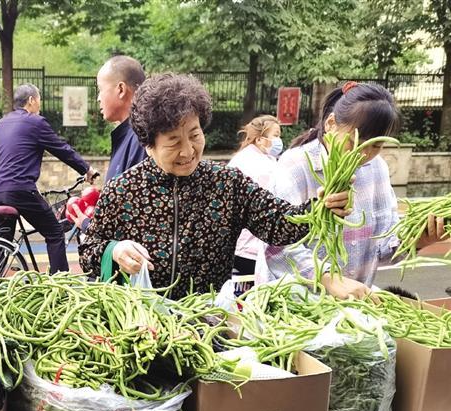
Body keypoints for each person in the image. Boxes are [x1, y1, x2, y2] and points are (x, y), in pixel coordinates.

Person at [78, 73, 353, 300]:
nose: (188, 150)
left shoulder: (227, 183)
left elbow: (280, 224)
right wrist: (113, 250)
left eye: (195, 135)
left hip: (208, 323)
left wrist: (320, 209)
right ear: (149, 144)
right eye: (173, 142)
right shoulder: (123, 190)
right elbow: (89, 249)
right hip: (142, 329)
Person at [256, 82, 446, 299]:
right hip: (295, 303)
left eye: (376, 145)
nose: (364, 154)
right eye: (357, 142)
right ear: (330, 124)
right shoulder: (297, 166)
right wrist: (327, 278)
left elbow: (383, 246)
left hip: (352, 305)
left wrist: (418, 239)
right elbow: (276, 247)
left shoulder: (377, 169)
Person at [0, 83, 98, 273]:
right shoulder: (35, 122)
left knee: (3, 242)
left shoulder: (1, 123)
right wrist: (86, 170)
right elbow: (62, 149)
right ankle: (61, 287)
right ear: (31, 100)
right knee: (54, 232)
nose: (40, 105)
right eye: (39, 100)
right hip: (20, 190)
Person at [71, 55, 147, 233]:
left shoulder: (140, 138)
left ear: (121, 89)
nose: (98, 98)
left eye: (100, 90)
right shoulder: (129, 133)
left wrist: (86, 225)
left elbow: (132, 218)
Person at [227, 115, 283, 276]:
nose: (279, 140)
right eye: (276, 135)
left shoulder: (242, 157)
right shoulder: (263, 166)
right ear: (260, 140)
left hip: (238, 244)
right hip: (251, 246)